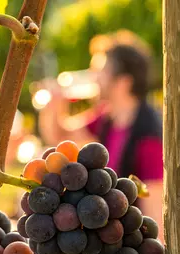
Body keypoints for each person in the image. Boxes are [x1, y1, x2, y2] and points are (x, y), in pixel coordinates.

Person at [38, 33, 163, 229]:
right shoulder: (106, 118)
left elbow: (155, 216)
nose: (93, 77)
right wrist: (54, 104)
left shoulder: (148, 136)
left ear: (123, 82)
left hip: (127, 239)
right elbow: (59, 137)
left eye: (100, 71)